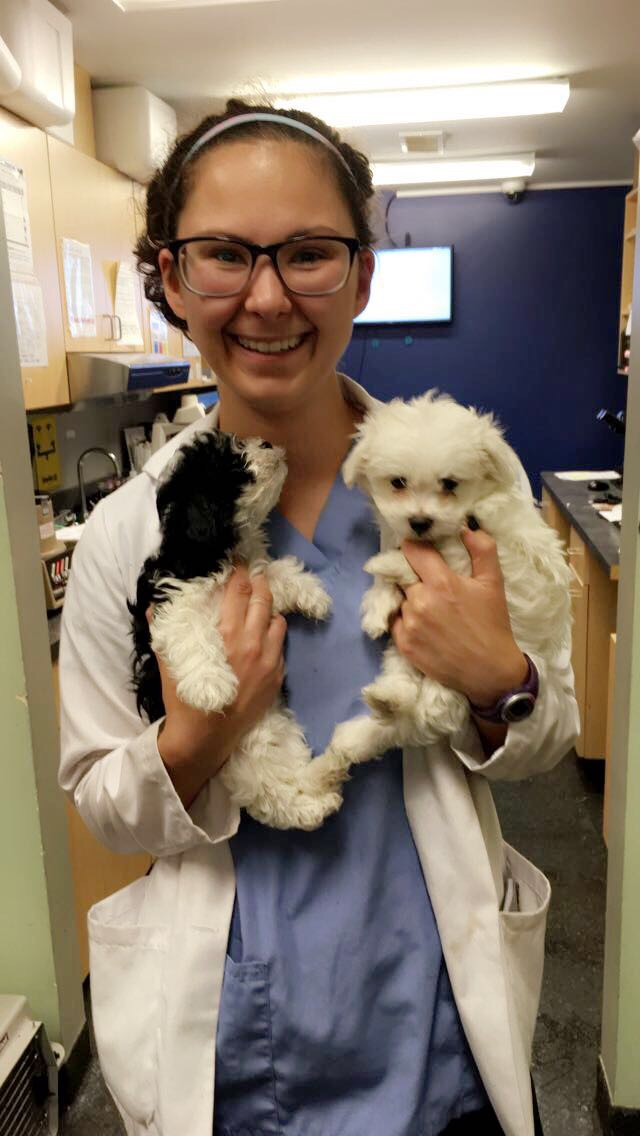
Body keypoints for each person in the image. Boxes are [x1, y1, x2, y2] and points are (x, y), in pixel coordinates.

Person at [58, 98, 579, 1136]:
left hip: (434, 1036)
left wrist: (498, 682)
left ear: (361, 275)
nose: (265, 296)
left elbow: (547, 735)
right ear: (168, 275)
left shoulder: (465, 480)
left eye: (308, 253)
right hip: (235, 1052)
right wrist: (198, 736)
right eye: (222, 253)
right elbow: (100, 796)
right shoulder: (132, 527)